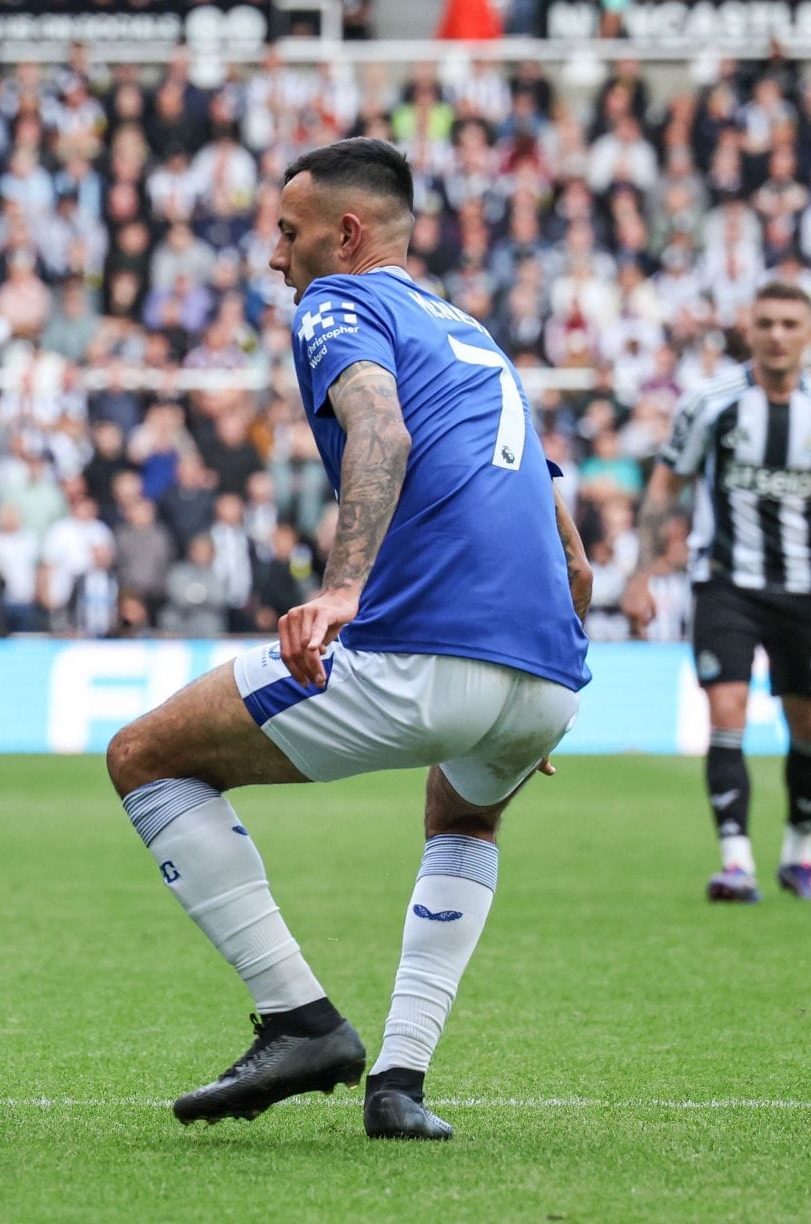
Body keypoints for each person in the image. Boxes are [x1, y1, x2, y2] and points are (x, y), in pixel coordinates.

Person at [102, 140, 591, 1142]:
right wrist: (529, 682)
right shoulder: (471, 334)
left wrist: (340, 591)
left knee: (145, 757)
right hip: (547, 674)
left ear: (347, 233)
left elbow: (381, 432)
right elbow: (571, 552)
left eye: (288, 231)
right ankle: (400, 1085)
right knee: (464, 821)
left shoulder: (339, 304)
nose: (276, 254)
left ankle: (300, 1021)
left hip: (426, 654)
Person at [622, 281, 811, 903]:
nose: (778, 335)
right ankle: (736, 862)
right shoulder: (710, 401)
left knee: (805, 726)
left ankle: (798, 853)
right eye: (767, 324)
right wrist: (642, 573)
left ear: (806, 333)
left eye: (790, 323)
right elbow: (664, 487)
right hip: (726, 582)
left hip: (805, 588)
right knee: (726, 712)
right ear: (748, 331)